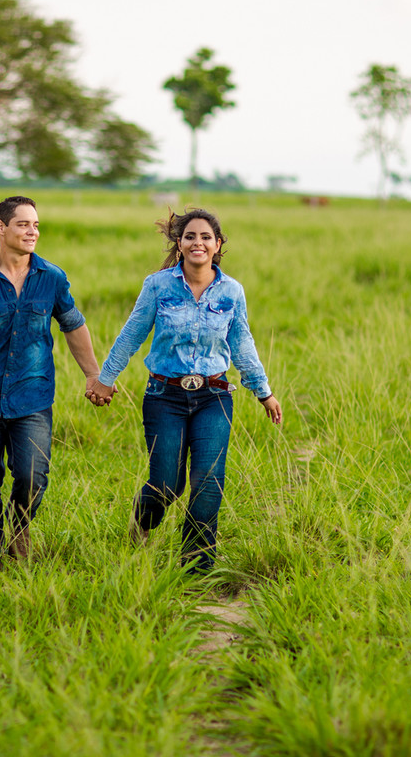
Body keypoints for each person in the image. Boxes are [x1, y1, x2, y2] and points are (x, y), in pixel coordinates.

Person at [89, 208, 281, 573]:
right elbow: (132, 334)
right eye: (190, 236)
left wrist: (263, 392)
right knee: (166, 483)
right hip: (165, 397)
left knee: (208, 481)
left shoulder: (232, 291)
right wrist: (106, 378)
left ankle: (197, 569)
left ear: (218, 245)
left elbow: (242, 345)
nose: (198, 242)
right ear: (179, 244)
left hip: (215, 395)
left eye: (206, 237)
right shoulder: (157, 285)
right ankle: (143, 521)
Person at [0, 196, 113, 563]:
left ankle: (18, 528)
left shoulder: (52, 278)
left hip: (33, 397)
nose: (33, 231)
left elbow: (73, 325)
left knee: (33, 478)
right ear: (1, 228)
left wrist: (94, 374)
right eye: (24, 224)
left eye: (36, 225)